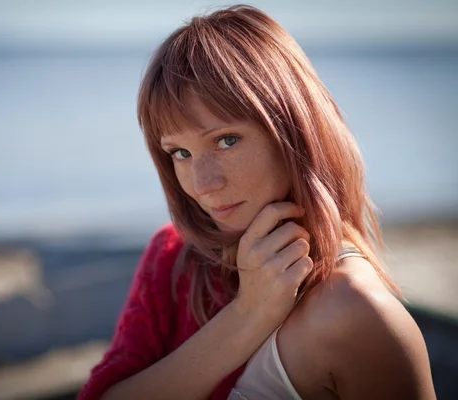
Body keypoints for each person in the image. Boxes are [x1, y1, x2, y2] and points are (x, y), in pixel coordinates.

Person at [78, 5, 436, 400]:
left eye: (226, 140)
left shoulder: (353, 310)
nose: (202, 184)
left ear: (295, 130)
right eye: (180, 153)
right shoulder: (173, 257)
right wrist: (248, 314)